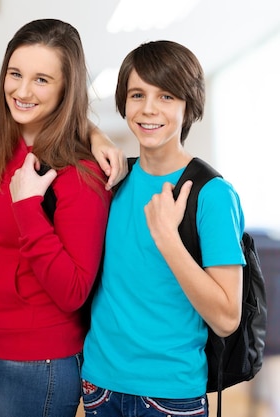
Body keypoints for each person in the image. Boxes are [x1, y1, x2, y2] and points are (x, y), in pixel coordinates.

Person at [81, 40, 245, 417]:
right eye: (137, 94)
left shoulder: (212, 194)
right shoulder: (114, 177)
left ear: (189, 106)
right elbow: (62, 114)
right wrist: (96, 135)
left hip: (169, 396)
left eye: (166, 96)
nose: (148, 109)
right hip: (99, 387)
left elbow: (225, 319)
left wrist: (169, 241)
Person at [0, 19, 112, 417]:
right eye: (15, 74)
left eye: (41, 79)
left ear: (66, 88)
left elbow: (74, 290)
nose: (22, 91)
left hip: (36, 362)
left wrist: (28, 208)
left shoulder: (82, 173)